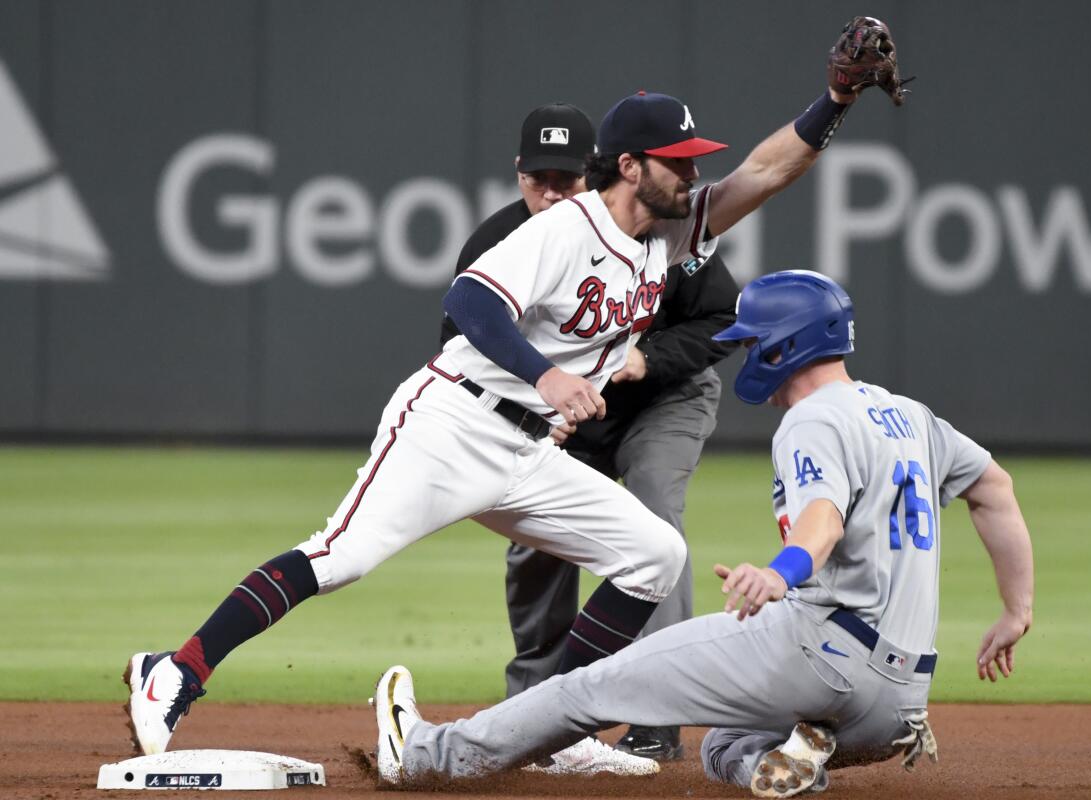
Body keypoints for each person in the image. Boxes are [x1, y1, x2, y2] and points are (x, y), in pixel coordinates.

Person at [124, 17, 875, 764]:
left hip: (530, 449)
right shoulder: (564, 229)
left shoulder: (670, 233)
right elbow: (472, 303)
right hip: (452, 424)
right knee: (339, 557)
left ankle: (550, 730)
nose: (692, 172)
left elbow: (768, 170)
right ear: (631, 165)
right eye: (677, 160)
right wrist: (549, 375)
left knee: (654, 555)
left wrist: (835, 98)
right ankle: (176, 671)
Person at [371, 269, 1035, 798]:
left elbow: (823, 522)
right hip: (900, 705)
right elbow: (996, 489)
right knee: (726, 745)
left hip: (822, 654)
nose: (746, 353)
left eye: (753, 342)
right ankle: (786, 762)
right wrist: (1016, 609)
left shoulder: (813, 420)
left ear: (785, 346)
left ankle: (429, 757)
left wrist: (781, 573)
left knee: (588, 687)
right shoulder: (910, 415)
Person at [440, 103, 739, 762]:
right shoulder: (501, 245)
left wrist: (649, 358)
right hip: (561, 413)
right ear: (518, 175)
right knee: (535, 540)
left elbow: (724, 316)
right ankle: (536, 711)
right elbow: (462, 350)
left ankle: (657, 710)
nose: (551, 192)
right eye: (537, 177)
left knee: (654, 517)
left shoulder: (654, 230)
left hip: (661, 398)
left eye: (566, 178)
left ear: (600, 176)